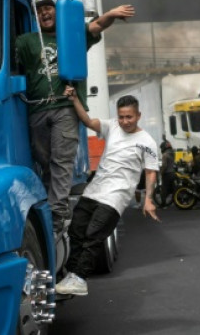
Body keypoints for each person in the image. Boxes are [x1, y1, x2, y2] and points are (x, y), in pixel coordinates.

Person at [16, 0, 135, 236]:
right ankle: (51, 209)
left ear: (57, 12)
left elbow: (96, 26)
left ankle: (57, 215)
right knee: (45, 163)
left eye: (48, 8)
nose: (45, 13)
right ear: (35, 17)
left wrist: (111, 13)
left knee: (61, 162)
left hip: (65, 108)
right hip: (37, 110)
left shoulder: (72, 35)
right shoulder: (26, 42)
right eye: (39, 11)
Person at [55, 92, 160, 296]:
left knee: (94, 235)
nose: (124, 121)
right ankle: (72, 275)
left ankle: (79, 277)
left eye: (129, 117)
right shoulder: (111, 126)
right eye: (121, 116)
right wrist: (75, 99)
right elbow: (86, 120)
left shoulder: (147, 141)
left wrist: (148, 200)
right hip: (95, 190)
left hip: (116, 196)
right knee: (76, 229)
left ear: (138, 115)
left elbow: (150, 172)